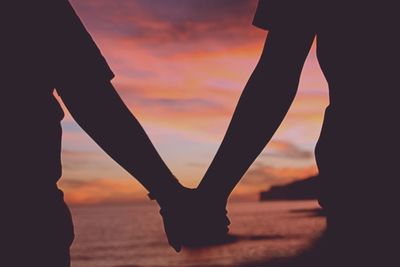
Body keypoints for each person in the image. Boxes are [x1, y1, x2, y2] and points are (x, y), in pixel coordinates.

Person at [187, 0, 399, 265]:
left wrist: (212, 193)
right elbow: (276, 75)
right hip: (357, 176)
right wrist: (213, 193)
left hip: (360, 177)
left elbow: (277, 72)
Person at [1, 1, 189, 266]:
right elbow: (91, 97)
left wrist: (168, 193)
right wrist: (170, 195)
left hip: (30, 219)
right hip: (28, 218)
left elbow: (90, 97)